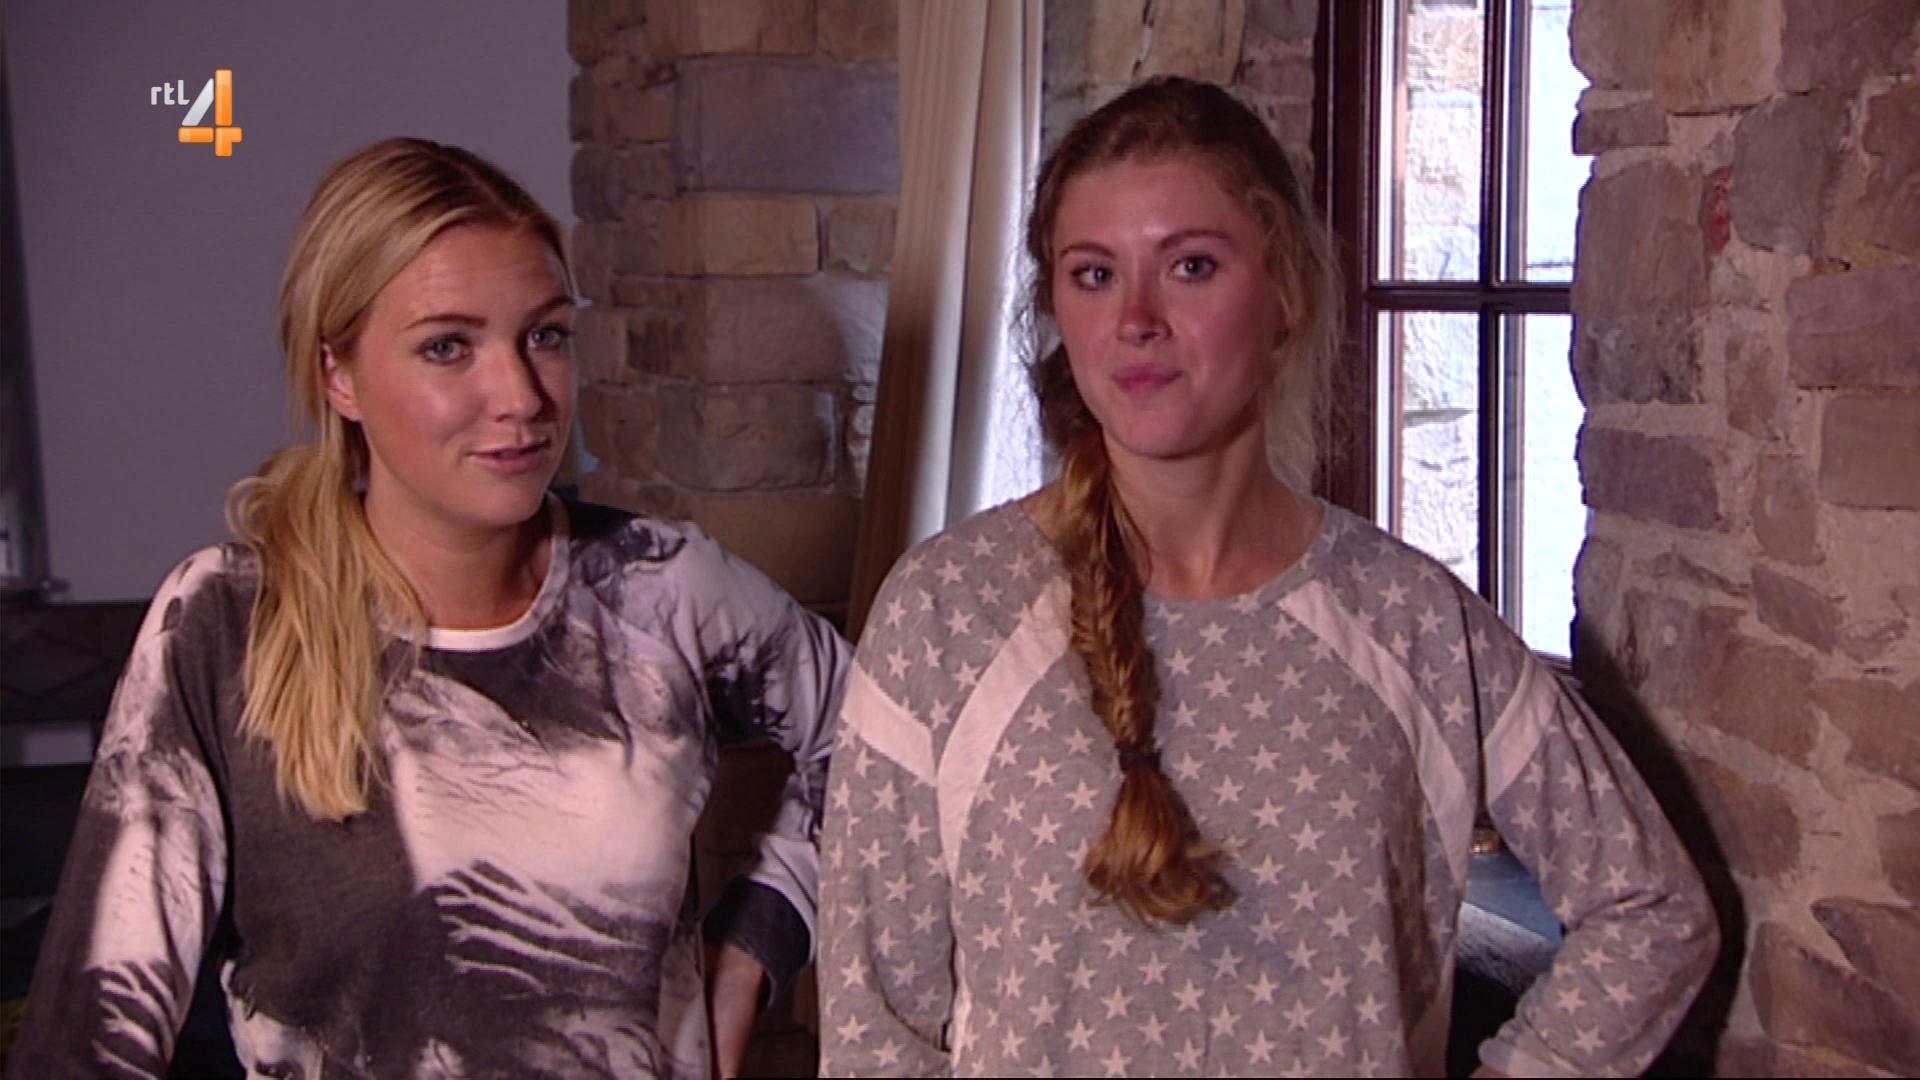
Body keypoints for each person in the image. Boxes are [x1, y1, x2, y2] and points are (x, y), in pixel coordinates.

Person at [817, 77, 1716, 1077]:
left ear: (1284, 292)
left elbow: (1651, 909)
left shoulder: (1413, 624)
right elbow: (872, 1031)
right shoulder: (947, 614)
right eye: (1094, 274)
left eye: (1191, 266)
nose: (1137, 318)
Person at [7, 138, 848, 1079]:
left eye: (546, 336)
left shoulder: (661, 588)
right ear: (339, 375)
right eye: (448, 346)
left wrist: (762, 933)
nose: (521, 397)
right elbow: (90, 1032)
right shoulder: (226, 624)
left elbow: (874, 742)